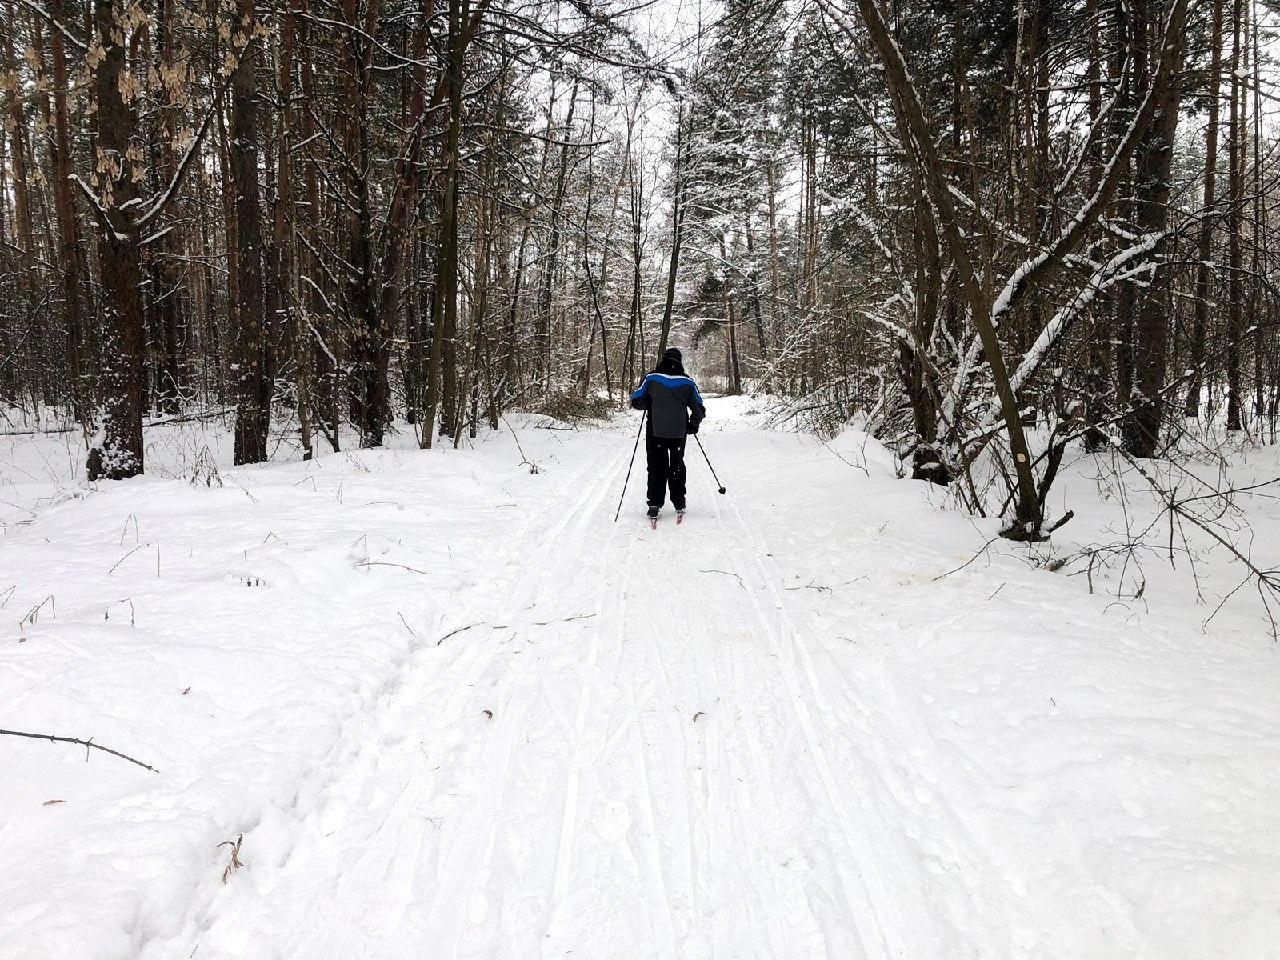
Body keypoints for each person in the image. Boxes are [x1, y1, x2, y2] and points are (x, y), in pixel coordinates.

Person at [630, 347, 706, 520]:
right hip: (678, 432)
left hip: (656, 430)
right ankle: (679, 501)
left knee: (656, 465)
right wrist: (693, 425)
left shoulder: (651, 378)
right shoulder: (687, 382)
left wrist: (648, 401)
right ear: (680, 362)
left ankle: (655, 504)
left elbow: (636, 400)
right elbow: (699, 408)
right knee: (677, 464)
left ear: (663, 360)